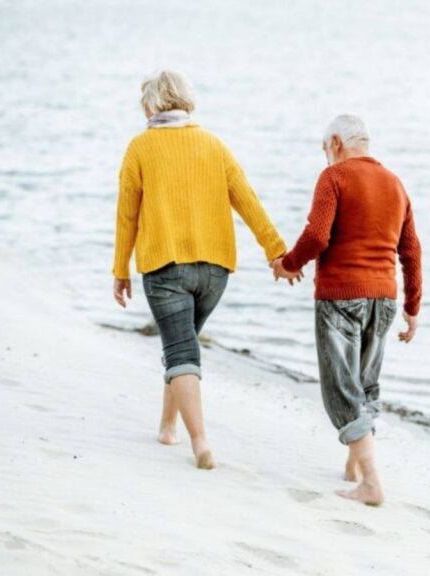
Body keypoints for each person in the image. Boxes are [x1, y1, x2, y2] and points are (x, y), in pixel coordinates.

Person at [112, 69, 294, 470]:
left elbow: (127, 215)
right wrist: (276, 253)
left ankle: (200, 442)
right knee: (184, 344)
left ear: (150, 105)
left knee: (180, 349)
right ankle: (166, 427)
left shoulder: (140, 148)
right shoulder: (214, 145)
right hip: (215, 271)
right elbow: (248, 202)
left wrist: (120, 269)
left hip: (165, 266)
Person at [273, 114, 422, 506]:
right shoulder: (395, 183)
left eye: (326, 150)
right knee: (365, 384)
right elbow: (410, 250)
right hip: (383, 298)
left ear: (336, 142)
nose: (326, 159)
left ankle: (371, 483)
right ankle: (355, 466)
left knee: (340, 391)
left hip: (340, 296)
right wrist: (412, 306)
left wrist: (289, 263)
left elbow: (318, 234)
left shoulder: (334, 177)